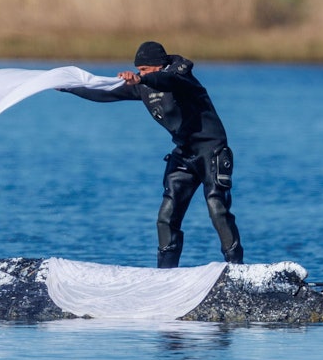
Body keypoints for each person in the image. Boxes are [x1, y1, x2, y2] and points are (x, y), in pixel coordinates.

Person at [61, 41, 243, 268]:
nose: (141, 73)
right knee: (166, 217)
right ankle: (165, 273)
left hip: (211, 151)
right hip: (184, 154)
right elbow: (104, 93)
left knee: (217, 208)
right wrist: (67, 87)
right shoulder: (144, 85)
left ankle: (236, 267)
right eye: (139, 70)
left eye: (145, 69)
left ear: (159, 65)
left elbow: (167, 81)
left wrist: (142, 79)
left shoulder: (181, 76)